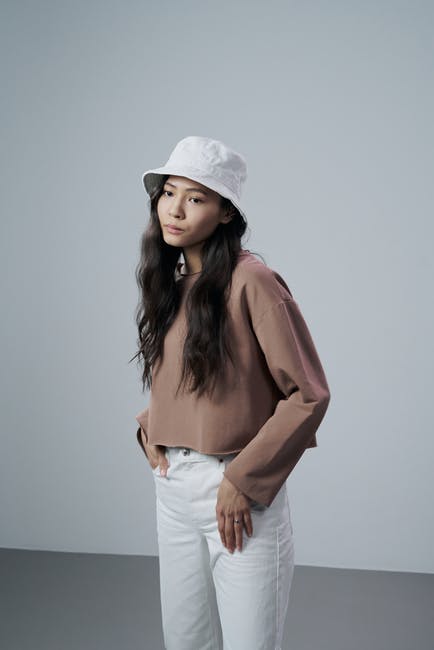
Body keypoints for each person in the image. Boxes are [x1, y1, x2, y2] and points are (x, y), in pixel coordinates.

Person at [131, 135, 331, 650]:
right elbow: (193, 382)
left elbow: (308, 394)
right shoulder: (172, 281)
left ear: (225, 213)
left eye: (195, 198)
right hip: (174, 490)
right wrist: (151, 427)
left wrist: (243, 479)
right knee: (185, 641)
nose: (174, 209)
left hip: (237, 493)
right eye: (168, 193)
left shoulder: (253, 281)